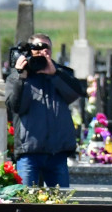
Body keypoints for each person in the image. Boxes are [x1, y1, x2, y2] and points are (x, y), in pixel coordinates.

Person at [5, 33, 85, 187]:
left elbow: (75, 93)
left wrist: (55, 74)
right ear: (29, 51)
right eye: (37, 48)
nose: (42, 51)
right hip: (29, 152)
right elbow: (16, 106)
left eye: (46, 47)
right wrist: (22, 77)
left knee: (61, 206)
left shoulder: (62, 73)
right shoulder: (18, 77)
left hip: (57, 153)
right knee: (26, 205)